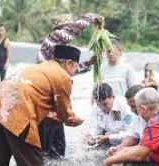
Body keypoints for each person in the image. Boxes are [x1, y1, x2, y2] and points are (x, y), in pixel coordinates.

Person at [0, 45, 84, 166]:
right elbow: (65, 113)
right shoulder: (62, 76)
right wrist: (74, 120)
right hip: (16, 112)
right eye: (76, 68)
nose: (74, 72)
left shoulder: (38, 67)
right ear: (69, 63)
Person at [36, 13, 103, 158]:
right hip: (47, 107)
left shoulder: (59, 52)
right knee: (54, 153)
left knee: (48, 154)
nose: (70, 33)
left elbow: (70, 69)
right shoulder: (53, 39)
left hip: (49, 107)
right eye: (68, 28)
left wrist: (89, 64)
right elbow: (73, 31)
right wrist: (92, 18)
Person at [107, 85, 146, 156]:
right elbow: (133, 135)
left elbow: (122, 129)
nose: (131, 110)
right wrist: (118, 148)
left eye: (134, 106)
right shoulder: (136, 114)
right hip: (116, 136)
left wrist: (108, 138)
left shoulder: (120, 109)